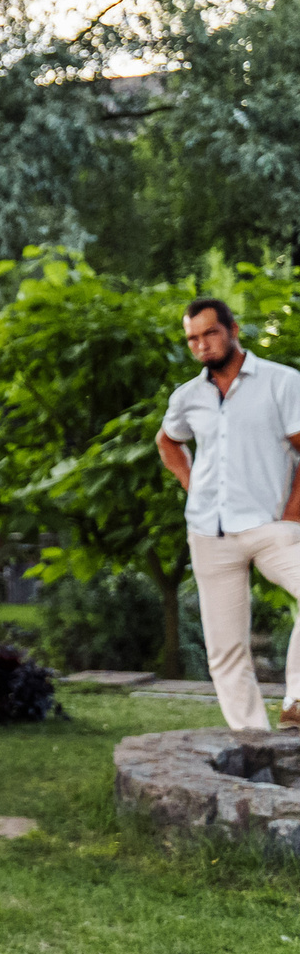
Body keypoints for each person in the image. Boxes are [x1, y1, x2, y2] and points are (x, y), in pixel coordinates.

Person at [158, 295, 300, 732]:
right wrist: (193, 487)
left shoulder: (282, 382)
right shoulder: (187, 397)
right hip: (209, 533)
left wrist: (292, 514)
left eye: (210, 333)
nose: (202, 344)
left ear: (233, 330)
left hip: (270, 526)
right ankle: (252, 739)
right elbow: (168, 442)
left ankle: (296, 699)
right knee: (225, 648)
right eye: (193, 338)